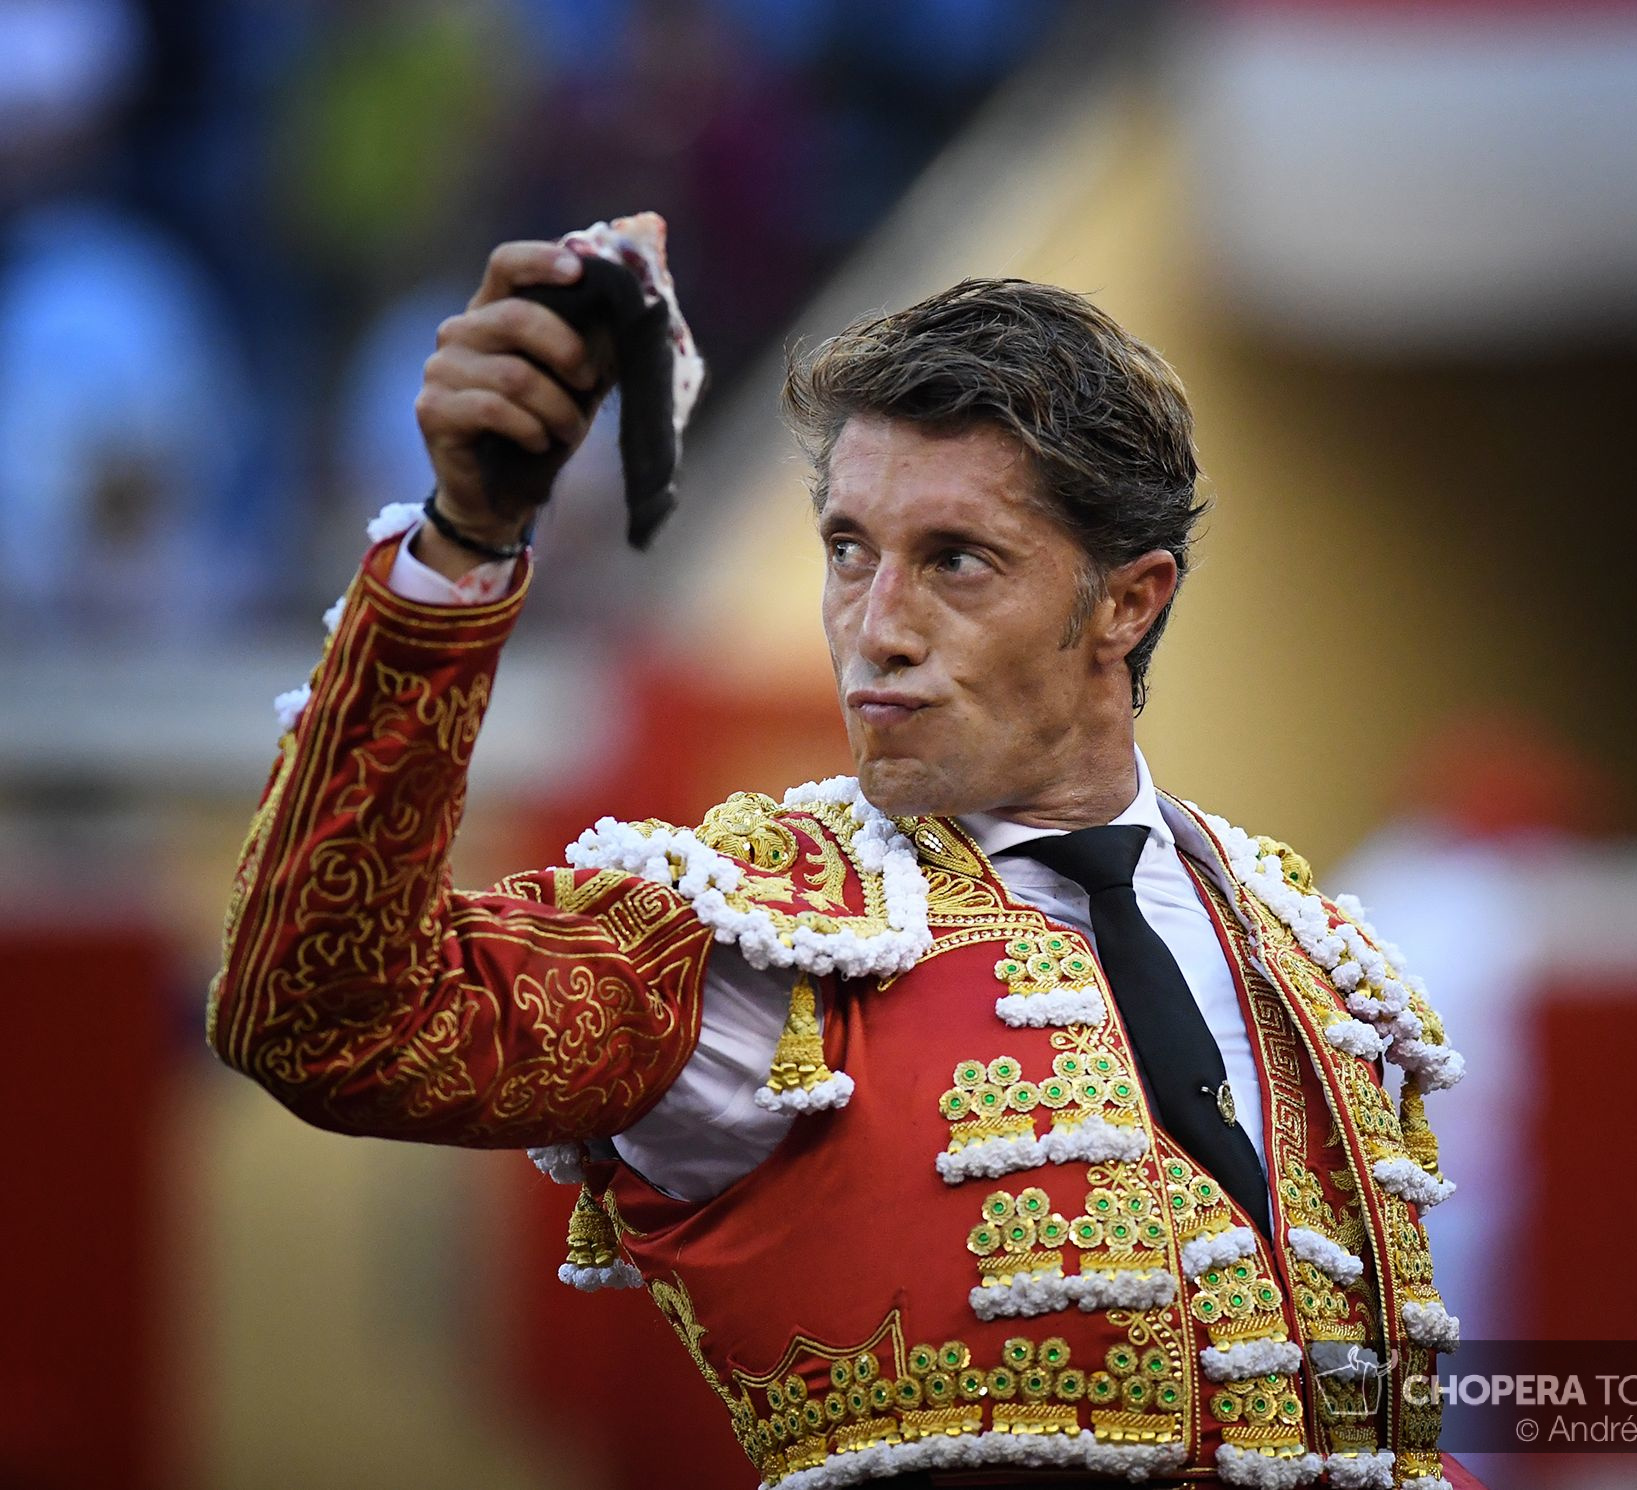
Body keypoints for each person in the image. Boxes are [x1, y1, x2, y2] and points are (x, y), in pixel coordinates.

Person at [210, 239, 1480, 1490]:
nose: (875, 630)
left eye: (953, 560)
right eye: (847, 549)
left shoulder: (1306, 951)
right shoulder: (761, 941)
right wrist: (459, 545)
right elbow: (328, 1017)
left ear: (1125, 601)